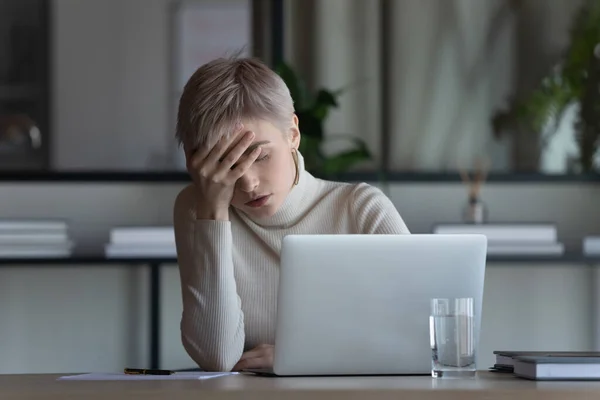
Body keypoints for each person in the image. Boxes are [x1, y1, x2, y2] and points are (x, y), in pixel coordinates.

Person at [173, 56, 410, 372]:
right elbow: (216, 355)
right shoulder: (197, 208)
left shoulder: (361, 208)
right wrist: (213, 212)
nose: (248, 182)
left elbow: (421, 334)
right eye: (227, 165)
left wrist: (306, 354)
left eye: (261, 156)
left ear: (293, 134)